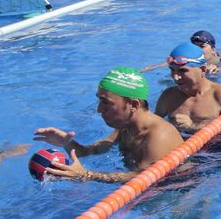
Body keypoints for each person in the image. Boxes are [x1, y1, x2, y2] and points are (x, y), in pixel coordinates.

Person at [33, 67, 184, 183]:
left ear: (133, 104)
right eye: (99, 100)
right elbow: (90, 151)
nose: (99, 109)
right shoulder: (125, 127)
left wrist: (88, 175)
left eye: (106, 103)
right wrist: (66, 143)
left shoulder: (159, 136)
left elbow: (143, 179)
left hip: (176, 193)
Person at [154, 41, 221, 134]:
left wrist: (193, 126)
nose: (175, 77)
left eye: (183, 70)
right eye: (172, 70)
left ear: (202, 70)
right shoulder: (168, 96)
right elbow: (153, 126)